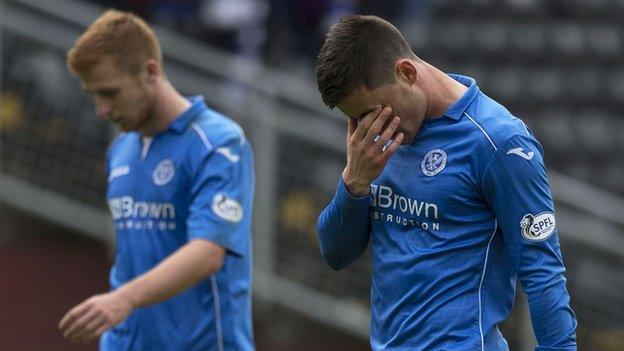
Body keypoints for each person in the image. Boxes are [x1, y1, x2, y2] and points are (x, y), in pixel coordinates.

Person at [315, 15, 577, 350]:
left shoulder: (500, 141)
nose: (367, 127)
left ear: (407, 74)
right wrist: (354, 182)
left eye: (371, 112)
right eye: (353, 117)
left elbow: (543, 270)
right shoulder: (375, 146)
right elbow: (336, 254)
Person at [57, 10, 255, 351]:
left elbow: (208, 253)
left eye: (110, 92)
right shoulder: (121, 149)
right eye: (94, 95)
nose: (102, 110)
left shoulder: (219, 143)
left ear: (151, 71)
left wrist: (122, 299)